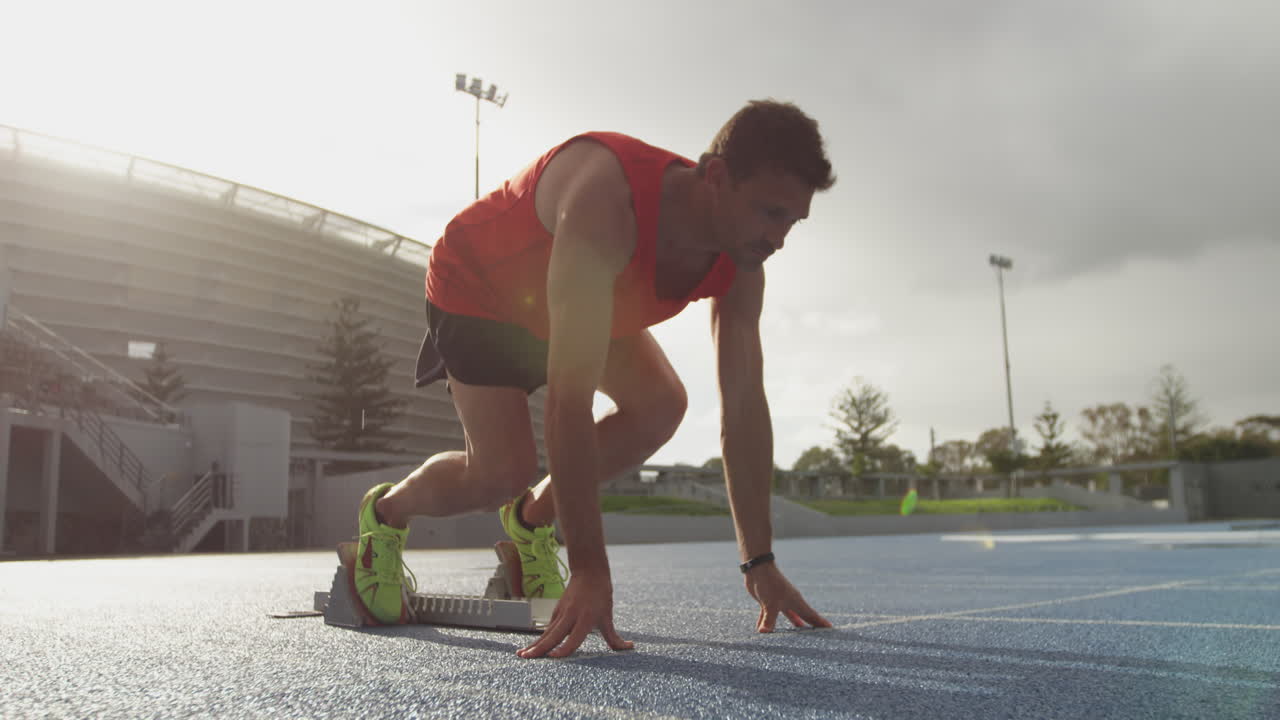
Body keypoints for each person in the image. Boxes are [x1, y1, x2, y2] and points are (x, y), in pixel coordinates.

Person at [351, 99, 836, 658]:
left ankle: (530, 524)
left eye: (792, 222)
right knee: (502, 470)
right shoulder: (609, 199)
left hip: (591, 299)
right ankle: (386, 513)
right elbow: (568, 402)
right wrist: (587, 569)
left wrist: (760, 561)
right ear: (718, 177)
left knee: (661, 404)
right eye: (769, 213)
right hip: (485, 292)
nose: (778, 238)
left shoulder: (743, 261)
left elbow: (745, 404)